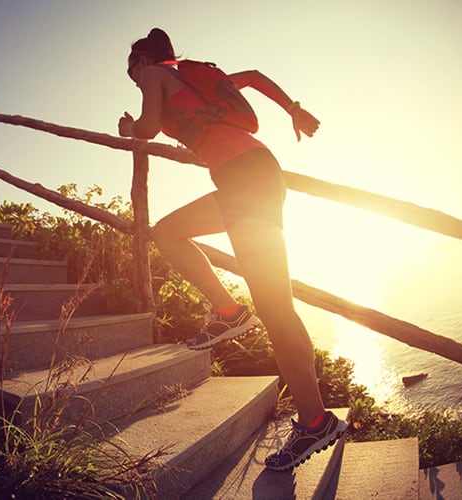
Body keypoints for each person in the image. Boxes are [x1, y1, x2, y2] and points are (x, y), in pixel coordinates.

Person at [118, 28, 347, 471]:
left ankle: (312, 417)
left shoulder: (153, 75)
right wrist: (294, 110)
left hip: (242, 180)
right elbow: (257, 76)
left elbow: (146, 128)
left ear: (142, 61)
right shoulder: (203, 74)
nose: (133, 79)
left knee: (273, 308)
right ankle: (233, 317)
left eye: (131, 72)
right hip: (257, 172)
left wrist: (131, 128)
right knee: (176, 236)